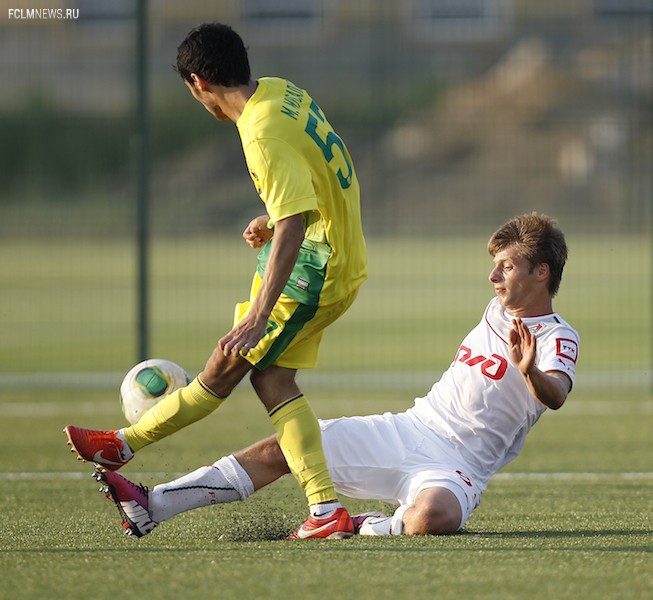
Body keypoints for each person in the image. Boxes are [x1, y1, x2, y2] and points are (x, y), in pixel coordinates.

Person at [93, 213, 579, 538]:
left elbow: (555, 395)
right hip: (409, 428)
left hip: (460, 466)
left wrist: (528, 369)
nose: (494, 278)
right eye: (494, 267)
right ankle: (152, 506)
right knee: (283, 449)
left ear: (541, 273)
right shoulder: (495, 310)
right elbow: (329, 238)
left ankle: (364, 525)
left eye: (506, 267)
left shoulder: (559, 337)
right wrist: (281, 237)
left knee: (435, 517)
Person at [64, 22, 367, 539]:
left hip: (317, 266)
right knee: (263, 375)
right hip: (321, 251)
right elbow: (314, 177)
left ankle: (125, 444)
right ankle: (323, 512)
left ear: (197, 82)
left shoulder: (260, 131)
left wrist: (258, 314)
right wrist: (272, 218)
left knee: (236, 364)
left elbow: (295, 224)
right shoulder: (281, 93)